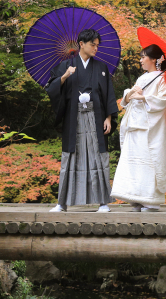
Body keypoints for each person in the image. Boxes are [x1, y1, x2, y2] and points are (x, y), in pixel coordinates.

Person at [45, 28, 118, 212]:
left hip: (96, 116)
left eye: (97, 45)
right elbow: (51, 89)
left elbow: (108, 94)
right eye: (92, 45)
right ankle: (62, 203)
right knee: (71, 157)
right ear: (81, 44)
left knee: (97, 156)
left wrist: (109, 117)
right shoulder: (65, 66)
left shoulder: (101, 68)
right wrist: (64, 76)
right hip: (73, 117)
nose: (95, 48)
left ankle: (103, 202)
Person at [110, 44, 166, 212]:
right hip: (134, 124)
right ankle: (135, 198)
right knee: (133, 162)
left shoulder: (164, 79)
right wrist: (130, 94)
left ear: (154, 59)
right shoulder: (142, 78)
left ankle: (150, 200)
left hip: (149, 128)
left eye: (143, 57)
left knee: (148, 161)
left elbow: (163, 100)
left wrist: (144, 97)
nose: (140, 60)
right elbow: (128, 99)